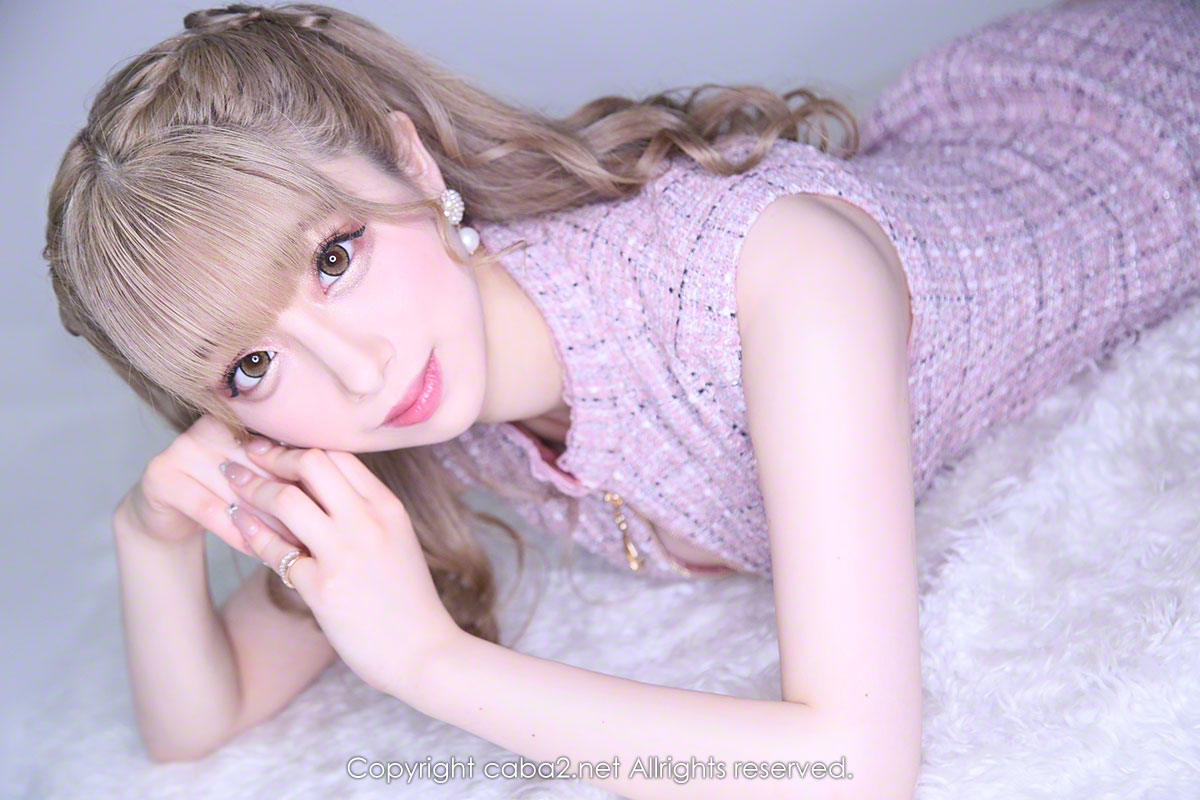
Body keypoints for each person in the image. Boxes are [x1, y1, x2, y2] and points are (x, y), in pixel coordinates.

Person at [42, 0, 1199, 797]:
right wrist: (152, 535)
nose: (357, 373)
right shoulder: (432, 409)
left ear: (415, 163)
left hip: (1141, 113)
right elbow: (197, 723)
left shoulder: (771, 272)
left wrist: (431, 662)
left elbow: (852, 764)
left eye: (334, 256)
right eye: (250, 364)